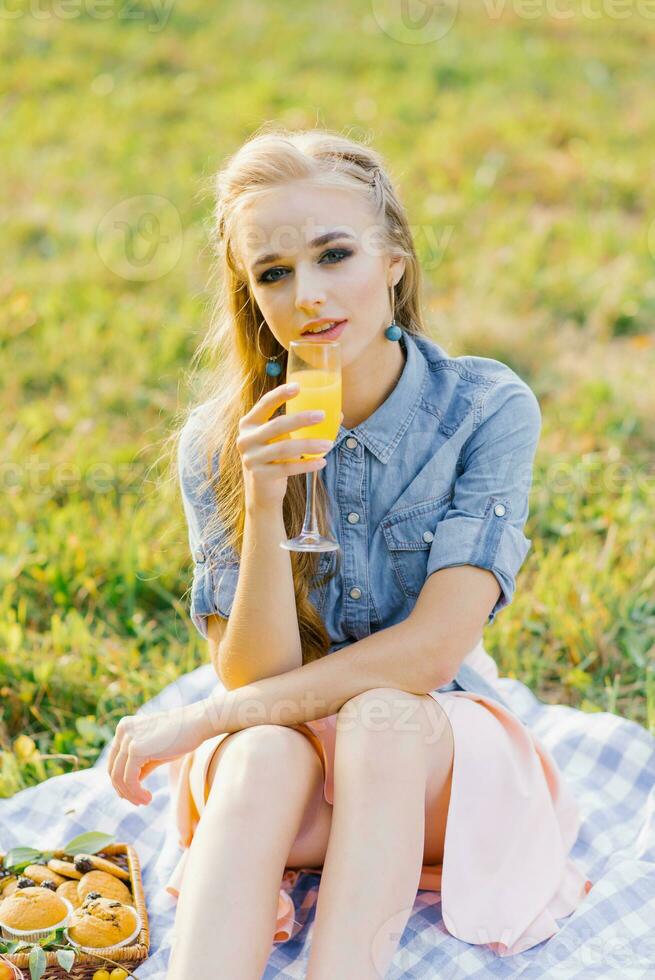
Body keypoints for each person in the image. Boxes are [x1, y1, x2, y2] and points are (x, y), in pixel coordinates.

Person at [106, 127, 592, 979]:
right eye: (274, 272)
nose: (309, 296)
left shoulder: (482, 409)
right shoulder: (219, 443)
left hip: (431, 756)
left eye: (336, 255)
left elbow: (433, 649)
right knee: (262, 747)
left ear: (395, 257)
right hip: (285, 776)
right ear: (249, 293)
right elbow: (252, 683)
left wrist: (199, 720)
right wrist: (261, 499)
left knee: (380, 717)